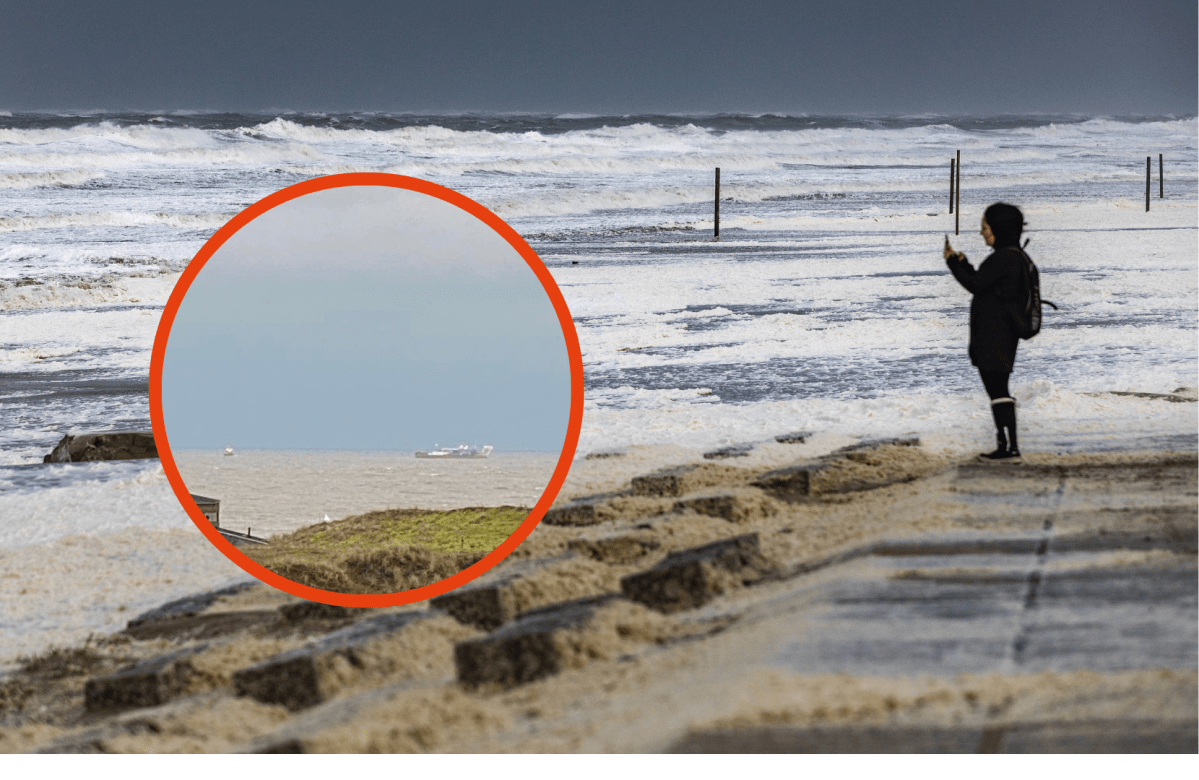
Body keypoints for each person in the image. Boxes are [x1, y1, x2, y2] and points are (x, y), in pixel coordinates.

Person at [944, 202, 1029, 462]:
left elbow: (976, 284)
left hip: (996, 337)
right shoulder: (1012, 256)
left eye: (985, 228)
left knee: (998, 390)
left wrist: (953, 264)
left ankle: (1008, 449)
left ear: (999, 229)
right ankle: (1007, 446)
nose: (982, 233)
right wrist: (963, 263)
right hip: (1000, 335)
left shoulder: (1005, 258)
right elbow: (983, 283)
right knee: (997, 389)